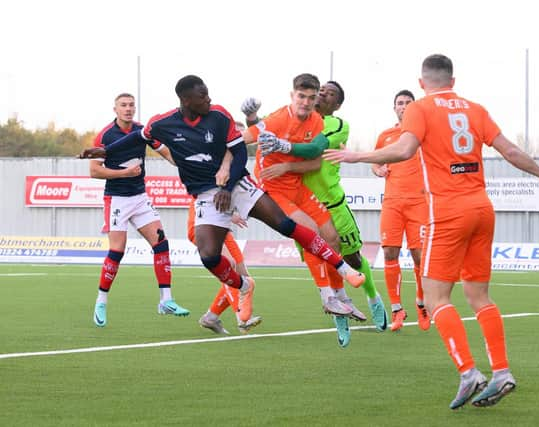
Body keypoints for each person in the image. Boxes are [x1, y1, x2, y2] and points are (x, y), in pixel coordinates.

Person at [324, 54, 539, 409]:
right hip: (483, 209)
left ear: (422, 83)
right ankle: (501, 371)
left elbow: (405, 149)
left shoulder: (420, 108)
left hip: (448, 211)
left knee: (438, 298)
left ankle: (469, 372)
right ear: (453, 80)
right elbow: (510, 150)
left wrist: (358, 156)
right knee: (479, 297)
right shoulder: (474, 109)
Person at [79, 75, 365, 332]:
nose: (209, 99)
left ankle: (342, 269)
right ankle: (243, 285)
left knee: (286, 224)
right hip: (205, 195)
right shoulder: (162, 123)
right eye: (203, 96)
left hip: (237, 185)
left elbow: (239, 152)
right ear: (186, 100)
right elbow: (135, 139)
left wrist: (228, 185)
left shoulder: (218, 116)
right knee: (208, 255)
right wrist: (105, 150)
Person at [244, 80, 389, 335]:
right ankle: (334, 304)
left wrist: (285, 153)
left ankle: (372, 298)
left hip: (331, 198)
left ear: (338, 104)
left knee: (351, 254)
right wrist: (251, 118)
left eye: (325, 94)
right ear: (295, 95)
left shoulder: (333, 125)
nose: (318, 98)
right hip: (290, 192)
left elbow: (313, 152)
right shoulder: (283, 116)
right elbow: (254, 132)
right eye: (315, 93)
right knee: (314, 242)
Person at [89, 93, 189, 327]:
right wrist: (124, 173)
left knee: (161, 242)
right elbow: (94, 171)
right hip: (116, 199)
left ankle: (166, 300)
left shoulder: (142, 130)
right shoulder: (104, 135)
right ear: (115, 109)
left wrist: (180, 161)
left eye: (131, 105)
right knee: (117, 250)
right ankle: (101, 301)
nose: (128, 109)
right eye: (123, 105)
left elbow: (163, 149)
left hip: (140, 197)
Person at [371, 90, 431, 332]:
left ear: (415, 107)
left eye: (408, 102)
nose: (403, 106)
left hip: (419, 202)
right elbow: (375, 162)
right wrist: (378, 170)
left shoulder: (425, 134)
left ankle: (421, 303)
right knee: (389, 254)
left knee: (419, 255)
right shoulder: (386, 135)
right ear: (394, 107)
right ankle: (397, 309)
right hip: (392, 203)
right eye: (400, 103)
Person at [187, 198, 262, 335]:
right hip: (203, 226)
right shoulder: (211, 180)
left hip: (221, 226)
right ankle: (242, 319)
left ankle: (211, 317)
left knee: (243, 276)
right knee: (228, 264)